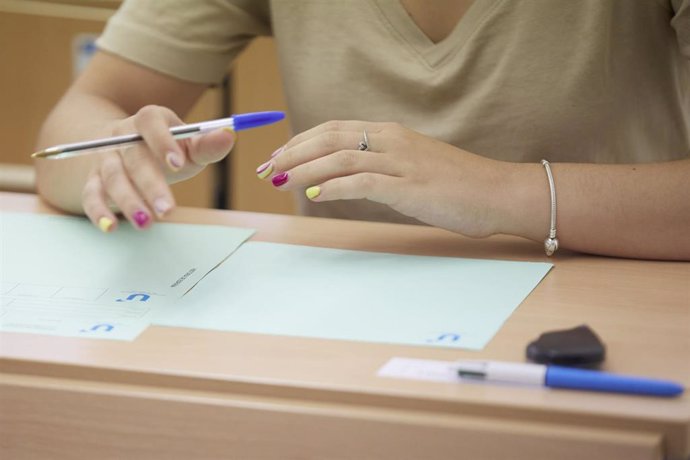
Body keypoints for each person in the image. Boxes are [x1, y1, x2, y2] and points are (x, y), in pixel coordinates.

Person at [35, 0, 690, 260]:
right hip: (351, 337)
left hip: (609, 321)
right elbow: (82, 119)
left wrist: (497, 192)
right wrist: (111, 166)